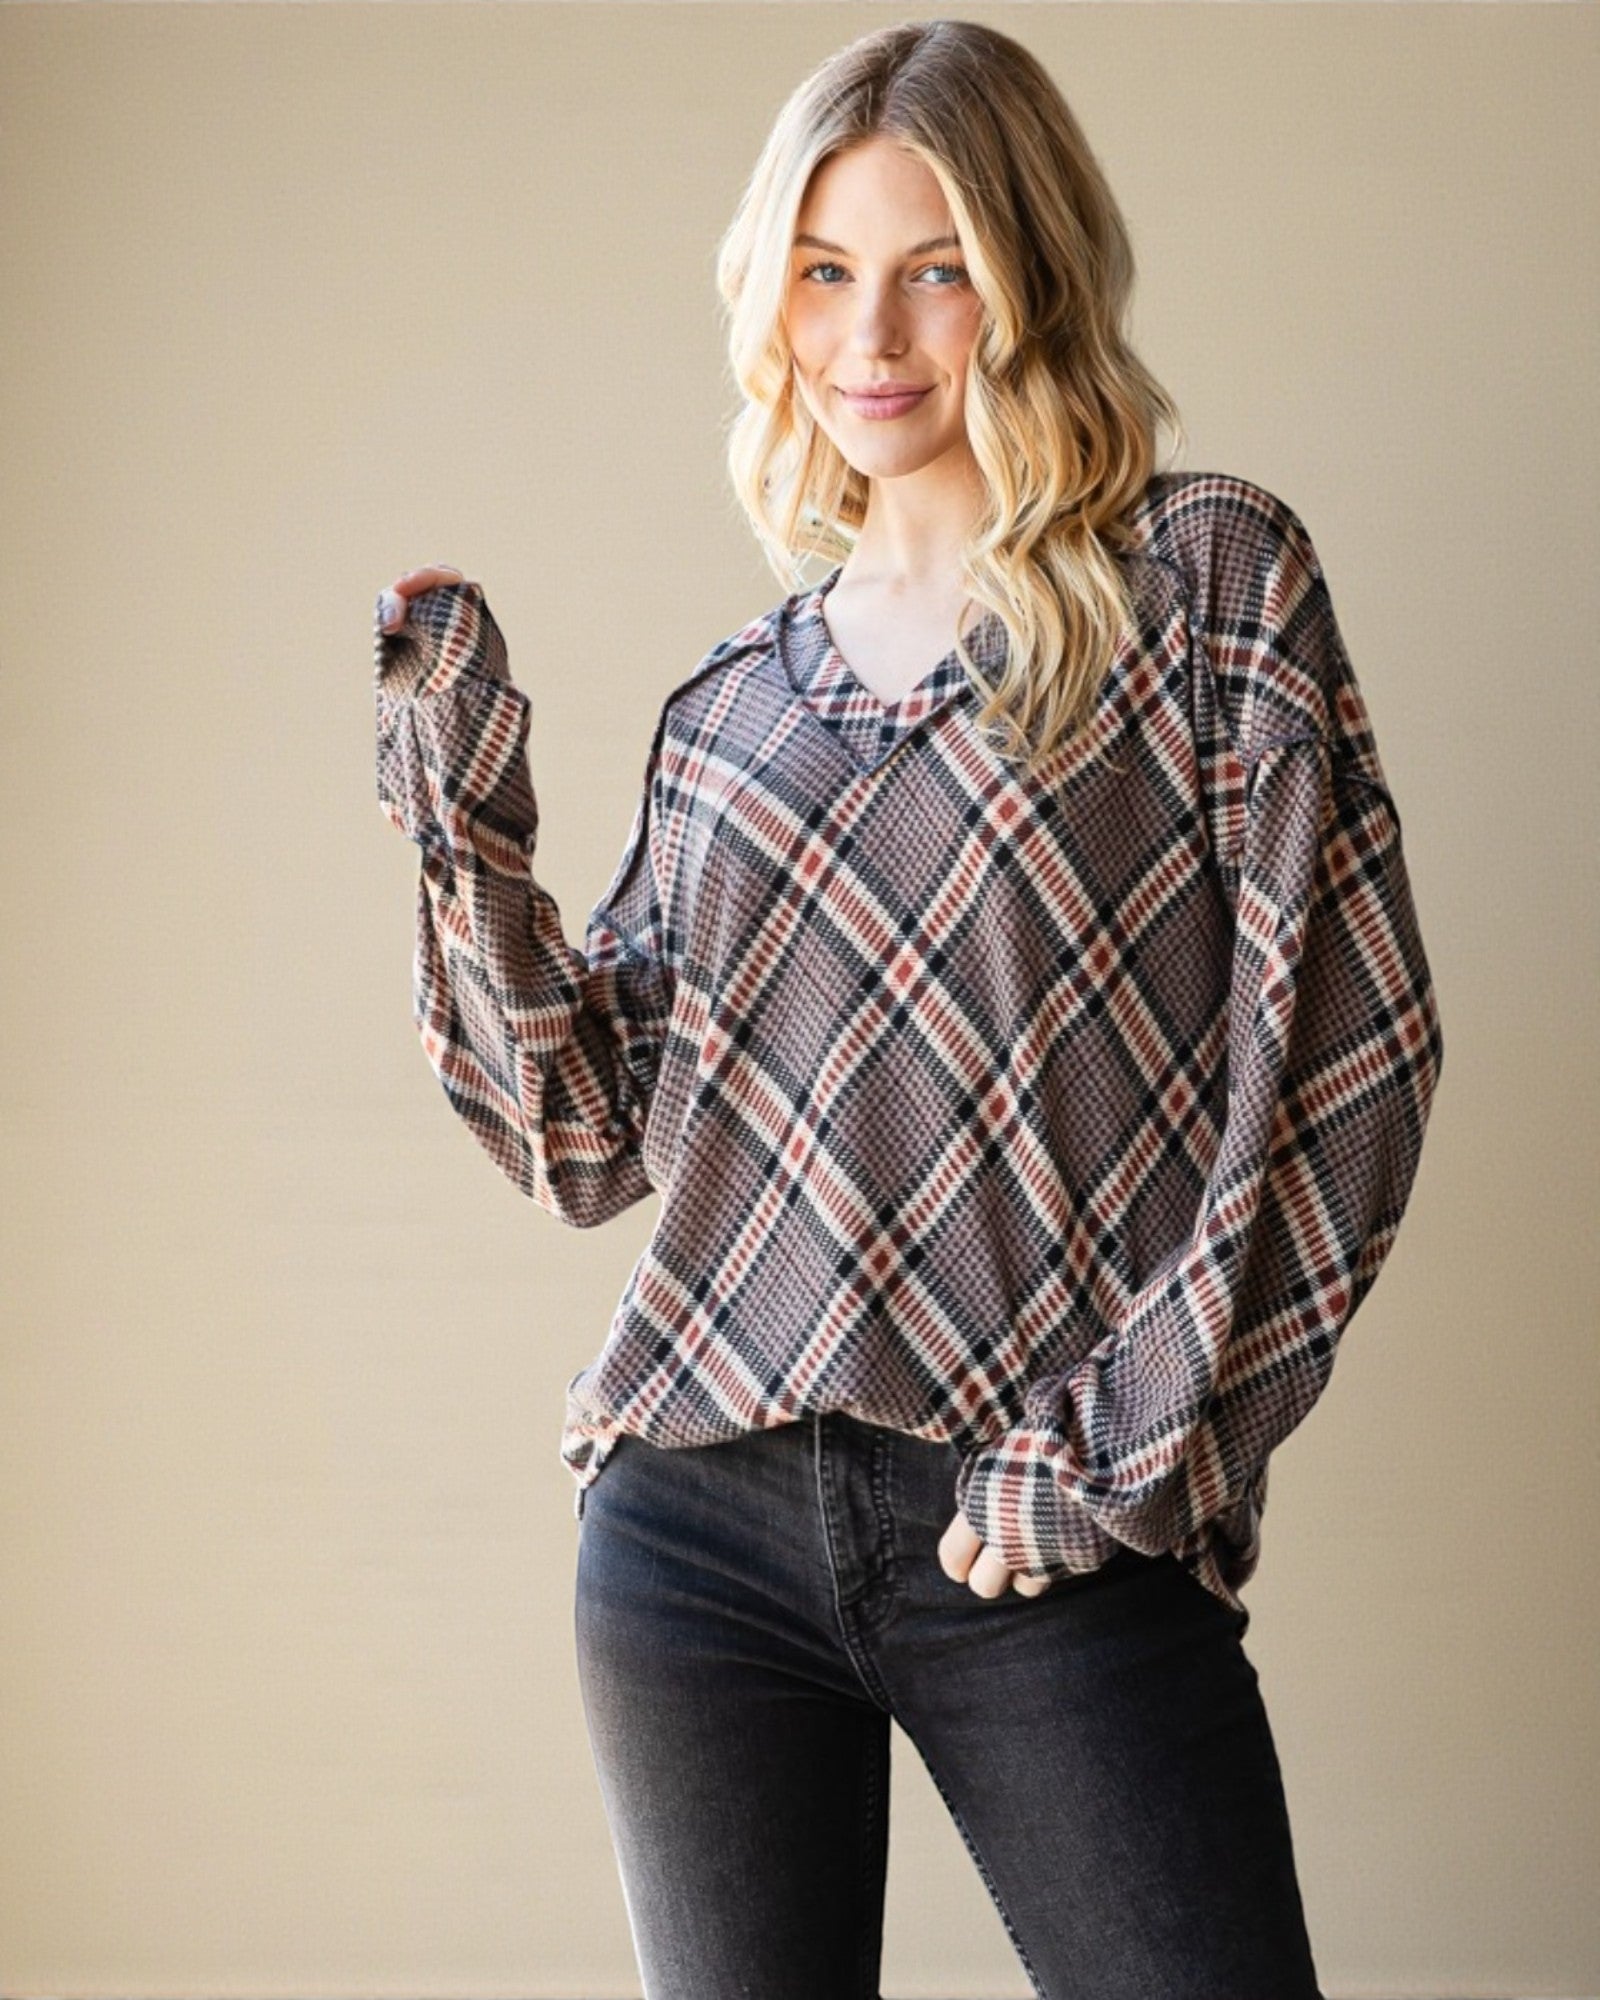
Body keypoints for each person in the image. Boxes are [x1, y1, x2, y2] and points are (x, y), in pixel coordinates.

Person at [370, 20, 1443, 1999]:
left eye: (934, 265)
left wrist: (1125, 1458)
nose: (870, 331)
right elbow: (585, 1139)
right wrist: (459, 808)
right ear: (766, 294)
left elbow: (1344, 1059)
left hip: (1032, 1518)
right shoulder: (735, 712)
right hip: (690, 1539)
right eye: (820, 268)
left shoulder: (1201, 589)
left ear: (1028, 278)